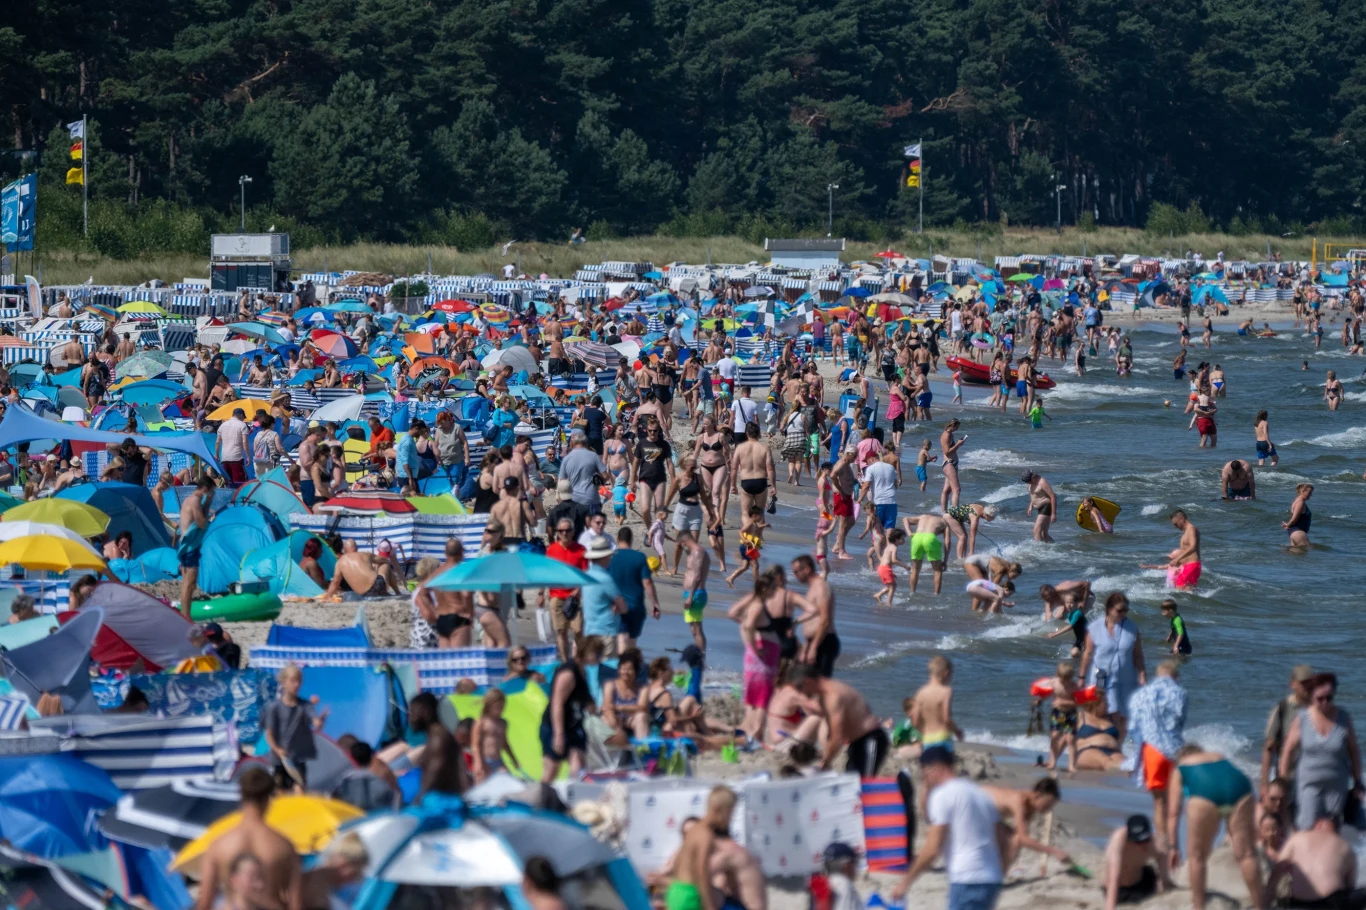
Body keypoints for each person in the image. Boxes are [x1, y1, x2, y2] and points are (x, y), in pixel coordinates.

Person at [890, 745, 1007, 908]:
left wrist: (905, 883)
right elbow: (1002, 839)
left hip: (967, 879)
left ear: (935, 767)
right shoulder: (980, 794)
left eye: (924, 770)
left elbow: (932, 849)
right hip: (991, 879)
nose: (925, 777)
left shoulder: (943, 795)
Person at [1165, 744, 1264, 910]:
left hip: (1205, 795)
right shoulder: (1217, 755)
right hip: (1241, 789)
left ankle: (1199, 906)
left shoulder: (1180, 768)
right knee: (1247, 855)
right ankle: (1261, 906)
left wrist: (1173, 847)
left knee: (1197, 858)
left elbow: (1173, 813)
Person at [191, 768, 301, 910]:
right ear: (269, 799)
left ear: (241, 796)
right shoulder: (283, 845)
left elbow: (204, 904)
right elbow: (296, 904)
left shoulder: (219, 845)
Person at [1280, 672, 1362, 832]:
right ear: (1311, 696)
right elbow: (1288, 750)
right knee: (1307, 826)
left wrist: (1358, 781)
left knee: (1332, 829)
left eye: (1329, 698)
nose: (1325, 703)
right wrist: (1283, 781)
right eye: (1320, 699)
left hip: (1337, 784)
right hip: (1309, 784)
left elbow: (1354, 750)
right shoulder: (1302, 719)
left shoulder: (1343, 718)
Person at [1128, 661, 1188, 860]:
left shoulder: (1141, 694)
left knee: (1159, 803)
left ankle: (1162, 844)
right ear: (1175, 677)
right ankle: (1174, 846)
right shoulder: (1181, 693)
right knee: (1174, 803)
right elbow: (1179, 722)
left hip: (1152, 751)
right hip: (1176, 752)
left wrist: (1135, 761)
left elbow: (1134, 728)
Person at [798, 663, 890, 777]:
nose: (800, 693)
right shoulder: (825, 696)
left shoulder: (833, 696)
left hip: (871, 739)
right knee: (852, 784)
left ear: (807, 681)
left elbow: (837, 737)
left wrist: (825, 762)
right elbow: (831, 733)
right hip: (856, 743)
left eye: (799, 688)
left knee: (864, 784)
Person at [1079, 592, 1146, 742]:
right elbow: (1088, 654)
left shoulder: (1132, 628)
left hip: (1127, 678)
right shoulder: (1095, 628)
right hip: (1101, 679)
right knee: (1108, 713)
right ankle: (1098, 743)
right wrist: (1081, 677)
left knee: (1124, 717)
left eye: (1126, 611)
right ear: (1109, 609)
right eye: (1120, 610)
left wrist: (1142, 675)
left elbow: (1138, 655)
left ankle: (1117, 747)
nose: (1123, 614)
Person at [1264, 815, 1364, 909]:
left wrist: (1264, 905)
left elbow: (1276, 873)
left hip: (1299, 902)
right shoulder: (1344, 845)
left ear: (1317, 824)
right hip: (1331, 902)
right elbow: (1350, 885)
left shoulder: (1296, 838)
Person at [668, 787, 735, 910]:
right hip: (690, 895)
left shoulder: (694, 830)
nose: (730, 820)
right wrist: (709, 905)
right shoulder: (706, 834)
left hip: (677, 890)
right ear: (718, 809)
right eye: (730, 813)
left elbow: (678, 862)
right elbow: (701, 870)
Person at [262, 665, 326, 792]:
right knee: (280, 797)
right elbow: (268, 734)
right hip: (279, 761)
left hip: (297, 758)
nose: (296, 684)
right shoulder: (274, 707)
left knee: (300, 793)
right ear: (283, 682)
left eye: (298, 681)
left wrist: (319, 721)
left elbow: (315, 722)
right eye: (292, 681)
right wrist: (278, 749)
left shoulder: (305, 705)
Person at [983, 779, 1070, 871]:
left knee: (1014, 840)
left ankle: (998, 876)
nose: (1048, 810)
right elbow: (1023, 838)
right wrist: (1054, 851)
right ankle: (995, 877)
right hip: (972, 810)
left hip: (986, 817)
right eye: (1047, 805)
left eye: (1051, 807)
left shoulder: (1031, 807)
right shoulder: (1018, 800)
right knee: (1014, 839)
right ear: (1038, 795)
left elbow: (1022, 837)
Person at [609, 526, 661, 654]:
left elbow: (606, 582)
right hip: (636, 606)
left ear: (617, 539)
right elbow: (647, 582)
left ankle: (622, 668)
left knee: (621, 639)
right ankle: (630, 669)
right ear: (631, 540)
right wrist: (655, 604)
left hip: (618, 604)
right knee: (632, 643)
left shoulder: (611, 558)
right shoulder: (640, 557)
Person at [1262, 665, 1313, 794]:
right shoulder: (1283, 709)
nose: (1306, 687)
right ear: (1292, 684)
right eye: (1303, 683)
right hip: (1287, 779)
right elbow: (1269, 748)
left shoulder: (1320, 709)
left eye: (1309, 683)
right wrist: (1264, 785)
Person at [409, 691, 469, 799]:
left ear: (426, 712)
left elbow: (435, 773)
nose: (410, 719)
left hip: (443, 803)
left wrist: (418, 801)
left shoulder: (439, 738)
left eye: (413, 713)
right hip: (439, 799)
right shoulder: (434, 736)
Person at [541, 658, 593, 782]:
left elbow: (588, 702)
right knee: (552, 769)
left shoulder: (583, 672)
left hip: (574, 726)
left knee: (579, 764)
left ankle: (578, 795)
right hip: (555, 726)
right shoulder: (568, 673)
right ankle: (539, 798)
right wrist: (558, 734)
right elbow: (556, 703)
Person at [1102, 815, 1167, 910]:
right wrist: (1110, 907)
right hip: (1119, 889)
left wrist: (1164, 881)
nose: (1141, 844)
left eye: (1145, 840)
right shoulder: (1119, 839)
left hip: (1141, 882)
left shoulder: (1153, 842)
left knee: (1150, 870)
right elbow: (1114, 878)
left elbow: (1163, 854)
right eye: (1137, 841)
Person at [545, 518, 588, 659]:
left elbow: (585, 573)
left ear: (573, 532)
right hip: (556, 595)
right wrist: (541, 593)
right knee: (561, 631)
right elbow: (545, 573)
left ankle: (580, 659)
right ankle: (565, 661)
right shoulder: (551, 550)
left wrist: (579, 588)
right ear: (557, 533)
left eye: (567, 530)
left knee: (578, 630)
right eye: (561, 531)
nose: (564, 533)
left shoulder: (581, 550)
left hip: (575, 597)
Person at [580, 536, 629, 656]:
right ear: (605, 557)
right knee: (607, 670)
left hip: (589, 630)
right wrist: (616, 607)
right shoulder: (605, 579)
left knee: (591, 670)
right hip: (605, 631)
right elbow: (623, 607)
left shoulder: (586, 576)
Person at [792, 554, 838, 676]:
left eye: (796, 572)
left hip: (824, 642)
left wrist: (813, 648)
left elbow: (825, 620)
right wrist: (795, 623)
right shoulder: (813, 587)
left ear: (807, 569)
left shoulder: (821, 587)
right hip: (814, 641)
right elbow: (814, 614)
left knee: (817, 687)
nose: (794, 575)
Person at [177, 477, 215, 619]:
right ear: (205, 489)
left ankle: (186, 614)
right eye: (211, 491)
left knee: (189, 583)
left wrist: (207, 505)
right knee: (189, 583)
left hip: (189, 545)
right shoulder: (195, 500)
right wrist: (209, 510)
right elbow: (201, 523)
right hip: (190, 546)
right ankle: (186, 616)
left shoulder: (190, 499)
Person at [910, 655, 964, 751]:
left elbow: (915, 721)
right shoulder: (946, 691)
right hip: (942, 738)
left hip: (927, 740)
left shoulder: (920, 693)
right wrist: (957, 731)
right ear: (947, 674)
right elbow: (946, 719)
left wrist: (924, 733)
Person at [472, 688, 522, 782]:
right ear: (489, 705)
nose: (501, 710)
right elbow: (475, 745)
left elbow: (505, 744)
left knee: (507, 780)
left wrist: (514, 759)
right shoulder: (481, 722)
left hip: (498, 760)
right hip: (484, 760)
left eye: (502, 707)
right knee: (482, 787)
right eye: (498, 707)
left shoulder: (503, 723)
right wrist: (478, 762)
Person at [322, 539, 402, 598]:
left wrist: (328, 596)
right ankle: (398, 592)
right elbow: (384, 559)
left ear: (344, 550)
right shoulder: (365, 554)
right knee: (385, 565)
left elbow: (335, 583)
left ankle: (386, 593)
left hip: (364, 594)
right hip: (378, 585)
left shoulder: (339, 562)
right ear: (356, 548)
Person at [680, 529, 713, 654]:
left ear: (685, 541)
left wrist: (690, 596)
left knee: (697, 630)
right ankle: (699, 657)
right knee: (694, 629)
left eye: (681, 544)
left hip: (696, 594)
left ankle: (700, 659)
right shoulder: (693, 553)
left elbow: (698, 576)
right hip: (691, 594)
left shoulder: (698, 552)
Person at [216, 408, 251, 485]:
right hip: (236, 457)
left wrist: (217, 455)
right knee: (239, 483)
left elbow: (217, 442)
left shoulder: (222, 425)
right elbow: (244, 442)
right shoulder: (242, 425)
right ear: (241, 415)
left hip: (225, 457)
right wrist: (248, 456)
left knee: (228, 483)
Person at [1020, 470, 1056, 543]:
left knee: (1036, 530)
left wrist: (1053, 514)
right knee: (1044, 533)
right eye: (1026, 482)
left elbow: (1053, 496)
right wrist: (1031, 505)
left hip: (1046, 506)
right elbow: (1034, 494)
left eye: (1029, 481)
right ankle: (1053, 547)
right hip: (1040, 508)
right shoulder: (1031, 482)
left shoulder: (1042, 482)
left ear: (1033, 477)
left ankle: (1039, 549)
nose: (1028, 483)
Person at [1283, 483, 1314, 549]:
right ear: (1302, 491)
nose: (1311, 495)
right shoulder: (1300, 502)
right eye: (1309, 492)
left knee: (1296, 557)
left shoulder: (1297, 501)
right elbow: (1294, 518)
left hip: (1294, 532)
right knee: (1309, 551)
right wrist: (1288, 525)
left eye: (1311, 493)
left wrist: (1288, 525)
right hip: (1298, 533)